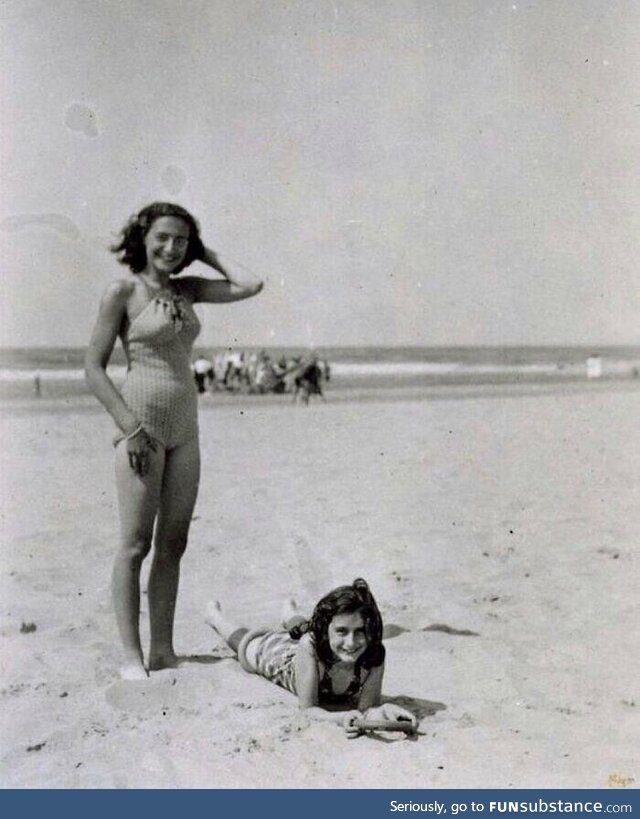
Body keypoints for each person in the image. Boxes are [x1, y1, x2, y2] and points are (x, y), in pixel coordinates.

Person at [85, 202, 263, 680]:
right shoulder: (122, 291)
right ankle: (130, 657)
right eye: (163, 237)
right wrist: (130, 427)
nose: (171, 247)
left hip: (186, 427)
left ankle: (163, 651)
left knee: (174, 542)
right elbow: (93, 368)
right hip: (140, 425)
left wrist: (205, 252)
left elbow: (251, 284)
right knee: (134, 544)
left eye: (182, 240)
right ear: (142, 237)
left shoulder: (188, 290)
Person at [205, 578, 418, 737]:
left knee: (304, 628)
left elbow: (367, 710)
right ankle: (215, 618)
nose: (352, 642)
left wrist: (385, 712)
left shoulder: (374, 654)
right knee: (250, 645)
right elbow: (308, 710)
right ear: (326, 631)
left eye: (360, 631)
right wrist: (339, 718)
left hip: (319, 641)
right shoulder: (312, 645)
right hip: (286, 660)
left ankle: (290, 614)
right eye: (342, 631)